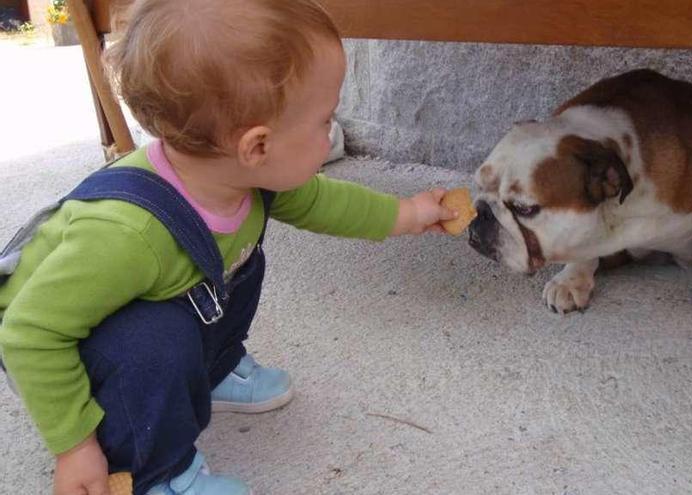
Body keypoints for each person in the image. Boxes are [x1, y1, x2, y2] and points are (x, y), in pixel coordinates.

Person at [0, 1, 456, 493]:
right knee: (156, 343)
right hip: (65, 339)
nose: (331, 133)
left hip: (148, 297)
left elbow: (324, 201)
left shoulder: (243, 175)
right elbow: (30, 334)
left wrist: (408, 214)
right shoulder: (125, 235)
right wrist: (75, 447)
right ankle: (157, 473)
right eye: (325, 120)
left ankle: (213, 372)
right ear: (257, 146)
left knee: (240, 266)